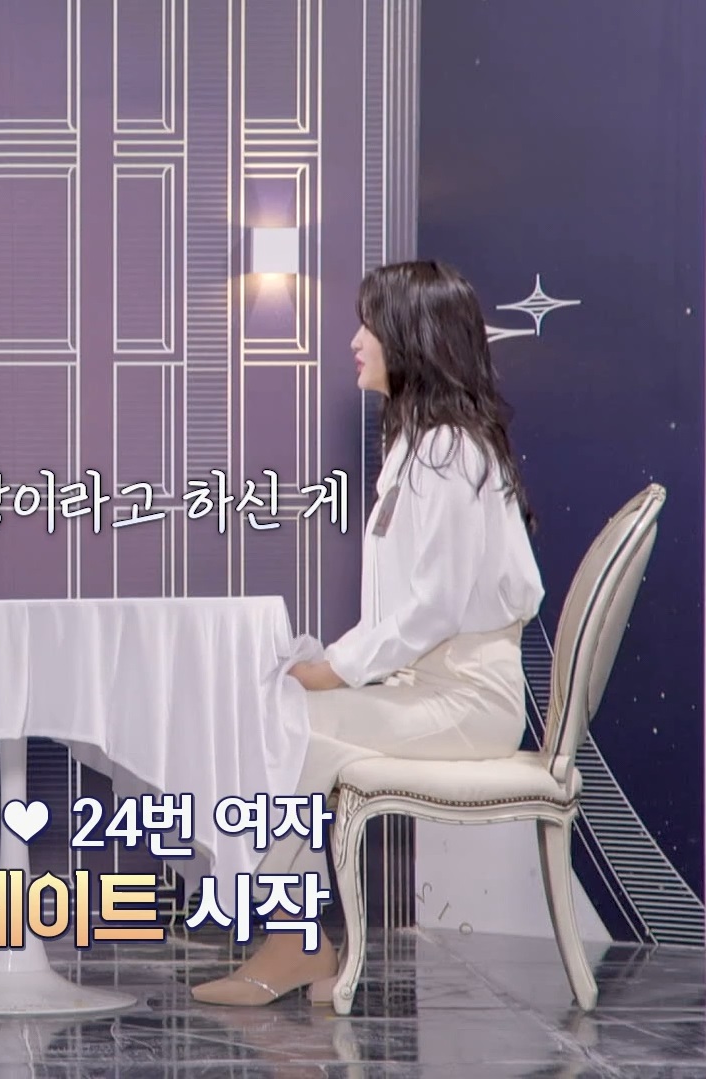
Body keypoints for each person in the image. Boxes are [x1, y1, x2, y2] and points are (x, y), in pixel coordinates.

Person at [192, 259, 545, 1006]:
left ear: (412, 337)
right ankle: (297, 937)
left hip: (467, 699)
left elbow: (433, 608)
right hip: (433, 690)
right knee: (281, 717)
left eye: (370, 325)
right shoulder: (425, 447)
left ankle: (296, 941)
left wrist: (335, 671)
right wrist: (333, 666)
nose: (355, 341)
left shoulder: (448, 451)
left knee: (284, 724)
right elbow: (408, 611)